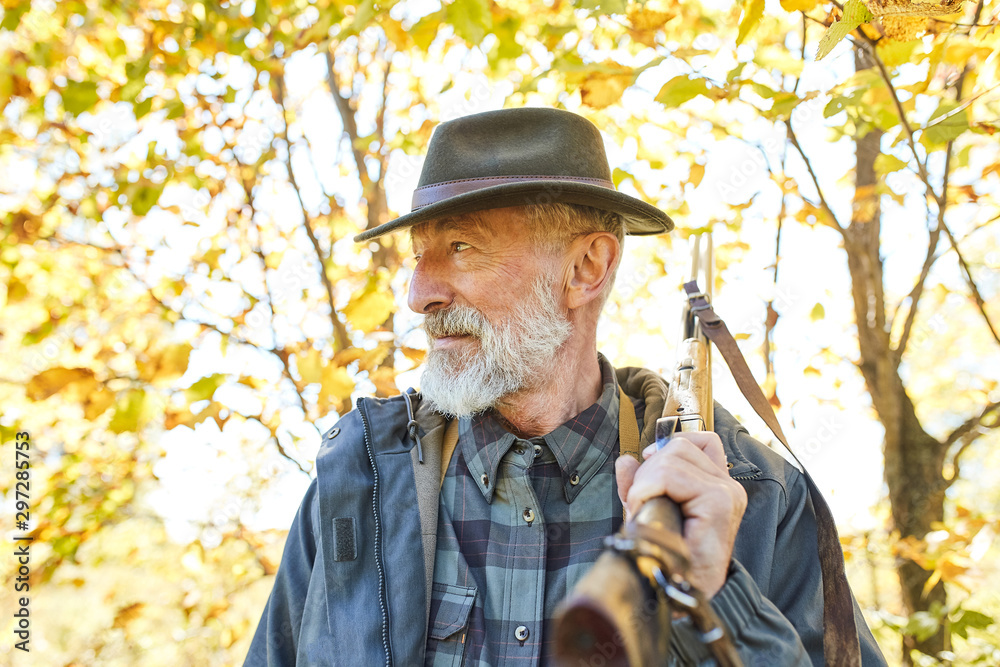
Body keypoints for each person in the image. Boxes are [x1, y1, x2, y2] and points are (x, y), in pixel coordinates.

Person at [244, 107, 886, 665]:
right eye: (420, 253)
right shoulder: (359, 483)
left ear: (586, 268)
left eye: (463, 247)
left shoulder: (753, 495)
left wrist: (721, 599)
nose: (420, 294)